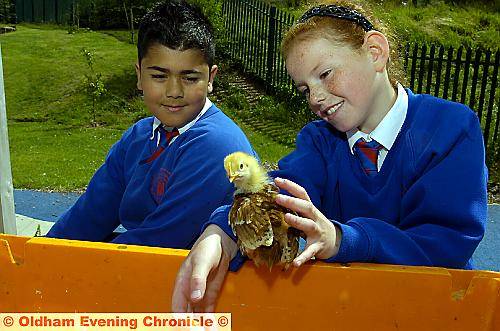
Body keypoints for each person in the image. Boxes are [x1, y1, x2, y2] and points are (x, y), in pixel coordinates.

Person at [171, 0, 488, 312]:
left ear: (375, 53)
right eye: (305, 89)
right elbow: (282, 197)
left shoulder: (450, 128)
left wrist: (345, 239)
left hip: (436, 310)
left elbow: (445, 245)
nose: (316, 97)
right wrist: (223, 231)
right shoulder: (319, 140)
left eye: (324, 74)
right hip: (345, 307)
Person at [46, 0, 255, 249]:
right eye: (158, 76)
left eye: (189, 77)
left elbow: (159, 243)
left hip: (193, 279)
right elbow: (89, 215)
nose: (174, 91)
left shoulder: (219, 146)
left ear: (210, 79)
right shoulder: (139, 136)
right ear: (139, 75)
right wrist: (41, 255)